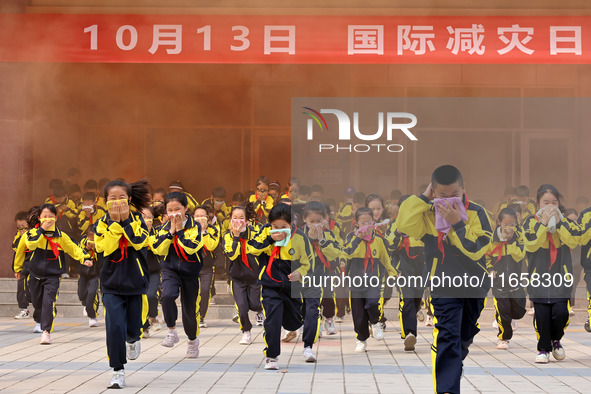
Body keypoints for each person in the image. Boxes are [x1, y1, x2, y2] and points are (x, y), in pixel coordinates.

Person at [396, 165, 493, 394]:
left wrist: (458, 223)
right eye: (442, 195)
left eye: (454, 195)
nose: (448, 201)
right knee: (448, 335)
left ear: (463, 188)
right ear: (433, 192)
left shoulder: (479, 213)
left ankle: (452, 365)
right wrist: (423, 198)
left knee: (463, 338)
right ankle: (447, 389)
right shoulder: (428, 213)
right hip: (443, 283)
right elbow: (403, 224)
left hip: (473, 285)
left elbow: (477, 250)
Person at [94, 179, 151, 389]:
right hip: (110, 283)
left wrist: (125, 222)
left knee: (134, 327)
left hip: (135, 281)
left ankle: (134, 338)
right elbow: (105, 248)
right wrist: (115, 224)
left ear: (129, 199)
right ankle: (117, 370)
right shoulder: (101, 223)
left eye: (121, 197)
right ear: (105, 201)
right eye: (112, 198)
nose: (117, 202)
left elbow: (139, 241)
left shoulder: (139, 220)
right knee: (114, 325)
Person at [247, 203, 311, 371]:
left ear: (292, 224)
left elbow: (308, 263)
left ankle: (293, 326)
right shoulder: (266, 232)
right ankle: (271, 356)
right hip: (270, 286)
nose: (279, 230)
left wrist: (300, 273)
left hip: (292, 287)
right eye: (275, 226)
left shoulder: (300, 237)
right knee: (272, 321)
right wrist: (269, 239)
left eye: (284, 227)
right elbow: (251, 248)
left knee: (293, 322)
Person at [524, 184, 580, 363]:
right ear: (538, 203)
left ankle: (556, 340)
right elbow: (531, 244)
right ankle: (543, 349)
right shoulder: (530, 222)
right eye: (545, 202)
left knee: (560, 313)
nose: (550, 206)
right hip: (539, 275)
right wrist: (543, 224)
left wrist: (559, 223)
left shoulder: (566, 222)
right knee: (541, 315)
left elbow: (573, 241)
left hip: (560, 275)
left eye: (554, 202)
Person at [22, 204, 92, 344]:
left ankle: (46, 332)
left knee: (48, 302)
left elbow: (73, 248)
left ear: (56, 217)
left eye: (51, 216)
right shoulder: (32, 233)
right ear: (39, 218)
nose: (47, 219)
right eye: (44, 216)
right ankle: (45, 317)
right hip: (35, 274)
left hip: (52, 276)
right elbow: (30, 245)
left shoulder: (61, 236)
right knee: (37, 303)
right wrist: (42, 230)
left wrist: (84, 258)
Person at [153, 192, 203, 358]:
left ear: (186, 208)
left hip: (190, 272)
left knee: (189, 311)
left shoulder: (196, 226)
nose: (174, 213)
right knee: (167, 296)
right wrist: (170, 233)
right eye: (170, 210)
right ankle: (172, 330)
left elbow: (191, 248)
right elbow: (158, 249)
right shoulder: (163, 228)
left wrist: (180, 232)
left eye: (178, 209)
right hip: (170, 270)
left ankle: (192, 340)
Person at [343, 207, 396, 353]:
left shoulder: (378, 240)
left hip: (373, 280)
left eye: (369, 222)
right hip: (356, 282)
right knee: (358, 314)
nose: (366, 225)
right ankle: (361, 340)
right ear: (356, 224)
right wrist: (358, 238)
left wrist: (393, 273)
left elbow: (385, 258)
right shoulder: (351, 238)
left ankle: (375, 322)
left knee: (373, 302)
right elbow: (347, 253)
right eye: (362, 223)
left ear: (374, 222)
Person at [301, 201, 342, 361]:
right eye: (312, 221)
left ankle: (308, 347)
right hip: (300, 279)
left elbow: (335, 255)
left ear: (324, 219)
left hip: (317, 279)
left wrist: (321, 241)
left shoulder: (329, 235)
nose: (315, 225)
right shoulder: (298, 235)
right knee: (302, 310)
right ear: (305, 219)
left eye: (319, 221)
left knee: (312, 310)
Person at [387, 195, 426, 351]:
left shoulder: (425, 223)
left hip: (421, 268)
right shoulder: (395, 225)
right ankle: (410, 334)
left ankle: (413, 317)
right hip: (404, 269)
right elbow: (390, 246)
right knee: (407, 299)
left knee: (416, 300)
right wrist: (397, 232)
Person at [486, 207, 526, 350]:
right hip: (499, 283)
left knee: (519, 310)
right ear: (499, 223)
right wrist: (490, 269)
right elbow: (486, 257)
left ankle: (512, 317)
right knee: (503, 311)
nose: (509, 228)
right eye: (506, 225)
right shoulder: (492, 239)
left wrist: (510, 242)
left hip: (515, 281)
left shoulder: (519, 238)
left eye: (512, 225)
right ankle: (503, 337)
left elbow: (520, 255)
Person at [224, 205, 264, 345]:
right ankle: (246, 332)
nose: (238, 221)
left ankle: (259, 310)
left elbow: (259, 249)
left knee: (254, 303)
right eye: (235, 218)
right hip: (237, 277)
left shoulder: (255, 233)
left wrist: (245, 234)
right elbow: (232, 255)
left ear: (247, 221)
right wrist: (236, 237)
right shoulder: (227, 236)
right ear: (230, 220)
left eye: (241, 218)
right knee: (241, 306)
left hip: (254, 276)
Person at [194, 204, 221, 328]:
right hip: (191, 267)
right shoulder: (188, 229)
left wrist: (204, 232)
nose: (199, 219)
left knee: (205, 291)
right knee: (192, 293)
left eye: (202, 216)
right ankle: (192, 315)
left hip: (207, 267)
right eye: (197, 216)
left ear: (208, 218)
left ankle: (201, 316)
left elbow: (212, 246)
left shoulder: (214, 230)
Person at [141, 207, 163, 338]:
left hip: (154, 270)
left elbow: (158, 249)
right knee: (140, 299)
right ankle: (144, 328)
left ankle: (153, 316)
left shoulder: (158, 232)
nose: (146, 220)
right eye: (143, 217)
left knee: (151, 295)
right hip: (139, 271)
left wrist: (148, 233)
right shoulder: (135, 233)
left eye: (148, 217)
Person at [78, 229, 103, 327]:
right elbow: (78, 252)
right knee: (81, 294)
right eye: (89, 237)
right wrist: (87, 249)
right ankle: (86, 305)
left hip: (95, 273)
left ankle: (92, 316)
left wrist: (96, 248)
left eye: (93, 237)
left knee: (92, 294)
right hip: (83, 273)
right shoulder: (83, 241)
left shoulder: (100, 241)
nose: (91, 239)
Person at [12, 211, 30, 319]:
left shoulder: (35, 234)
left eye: (25, 227)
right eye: (19, 228)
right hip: (23, 266)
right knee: (21, 288)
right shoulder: (18, 236)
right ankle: (24, 309)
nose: (22, 230)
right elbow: (15, 247)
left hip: (34, 265)